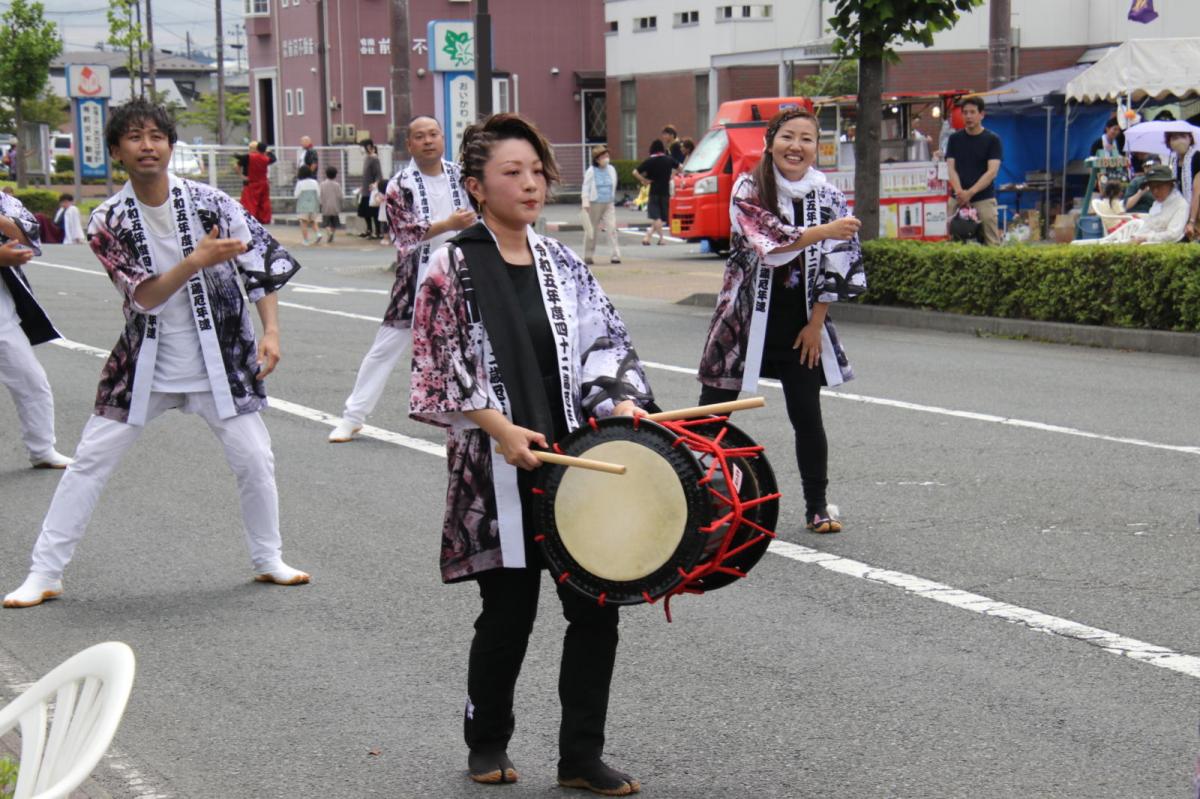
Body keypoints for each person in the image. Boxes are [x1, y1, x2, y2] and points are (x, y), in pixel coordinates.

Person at [409, 113, 652, 795]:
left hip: (574, 459)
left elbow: (606, 341)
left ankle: (580, 756)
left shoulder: (562, 261)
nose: (530, 184)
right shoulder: (451, 264)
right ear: (476, 186)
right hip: (498, 467)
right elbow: (438, 367)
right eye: (512, 172)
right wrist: (500, 428)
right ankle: (487, 740)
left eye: (537, 171)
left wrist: (618, 401)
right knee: (508, 614)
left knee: (596, 609)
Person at [3, 98, 309, 609]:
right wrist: (196, 260)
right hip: (145, 364)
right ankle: (44, 573)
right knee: (89, 463)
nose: (147, 146)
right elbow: (144, 297)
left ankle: (268, 559)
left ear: (170, 145)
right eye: (134, 137)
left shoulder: (211, 202)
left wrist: (271, 332)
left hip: (221, 361)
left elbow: (261, 265)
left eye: (156, 137)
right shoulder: (108, 219)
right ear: (117, 151)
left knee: (256, 459)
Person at [696, 108, 865, 534]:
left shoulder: (828, 196)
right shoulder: (749, 188)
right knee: (710, 416)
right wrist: (825, 231)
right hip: (742, 323)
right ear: (770, 142)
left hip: (799, 325)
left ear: (817, 148)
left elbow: (838, 264)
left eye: (807, 139)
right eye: (788, 136)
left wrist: (816, 324)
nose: (796, 146)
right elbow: (768, 240)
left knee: (807, 416)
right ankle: (685, 494)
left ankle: (817, 507)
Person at [326, 115, 475, 443]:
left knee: (472, 347)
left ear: (443, 138)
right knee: (385, 348)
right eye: (420, 136)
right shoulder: (400, 184)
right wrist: (449, 224)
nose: (428, 141)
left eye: (433, 134)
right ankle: (353, 417)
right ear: (409, 144)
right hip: (416, 279)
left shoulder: (462, 177)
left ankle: (478, 417)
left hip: (462, 276)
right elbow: (404, 232)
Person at [0, 191, 73, 471]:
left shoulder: (5, 202)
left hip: (3, 313)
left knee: (31, 379)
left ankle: (42, 449)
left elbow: (29, 235)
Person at [1072, 164, 1187, 245]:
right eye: (1152, 188)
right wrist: (1137, 236)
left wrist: (1146, 237)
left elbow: (1173, 234)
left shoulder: (1180, 205)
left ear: (1170, 185)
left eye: (1159, 187)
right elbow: (1147, 225)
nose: (1155, 191)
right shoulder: (1157, 203)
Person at [945, 96, 1003, 246]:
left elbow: (992, 172)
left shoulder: (992, 139)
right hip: (957, 198)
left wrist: (970, 193)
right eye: (965, 113)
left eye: (972, 112)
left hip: (983, 198)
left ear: (981, 114)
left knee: (991, 242)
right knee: (953, 242)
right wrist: (960, 192)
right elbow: (950, 168)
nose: (968, 116)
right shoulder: (954, 139)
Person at [580, 144, 621, 265]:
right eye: (603, 157)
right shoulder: (591, 171)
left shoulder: (611, 169)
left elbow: (614, 183)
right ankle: (588, 255)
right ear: (597, 159)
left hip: (608, 202)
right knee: (591, 229)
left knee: (612, 228)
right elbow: (586, 186)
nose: (606, 158)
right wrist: (585, 202)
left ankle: (615, 254)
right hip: (594, 203)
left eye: (607, 156)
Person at [633, 140, 674, 246]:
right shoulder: (669, 159)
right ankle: (648, 236)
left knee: (656, 217)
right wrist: (672, 176)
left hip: (654, 192)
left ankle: (661, 239)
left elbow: (635, 172)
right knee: (661, 218)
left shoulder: (650, 161)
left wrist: (644, 180)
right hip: (666, 192)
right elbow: (680, 167)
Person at [1166, 132, 1200, 240]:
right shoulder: (1174, 161)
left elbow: (1197, 192)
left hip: (1196, 213)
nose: (1179, 141)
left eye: (1183, 137)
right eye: (1175, 138)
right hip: (1182, 212)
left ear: (1190, 138)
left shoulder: (1197, 158)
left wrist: (1192, 221)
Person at [237, 141, 276, 224]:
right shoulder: (266, 158)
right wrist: (268, 152)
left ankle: (250, 219)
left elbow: (238, 161)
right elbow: (273, 159)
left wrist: (242, 176)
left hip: (252, 183)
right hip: (264, 183)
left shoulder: (249, 157)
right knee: (264, 202)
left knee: (250, 202)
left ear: (256, 149)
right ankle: (264, 219)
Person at [358, 140, 384, 239]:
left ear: (368, 147)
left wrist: (376, 184)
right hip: (365, 189)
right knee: (365, 211)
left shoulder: (374, 158)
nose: (361, 149)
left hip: (371, 190)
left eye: (362, 147)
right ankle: (369, 230)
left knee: (374, 211)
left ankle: (377, 232)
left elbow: (378, 174)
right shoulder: (367, 158)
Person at [293, 164, 321, 245]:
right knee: (313, 221)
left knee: (303, 223)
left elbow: (296, 195)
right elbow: (318, 194)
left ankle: (306, 240)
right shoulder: (314, 182)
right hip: (314, 205)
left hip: (303, 206)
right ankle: (318, 233)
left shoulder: (300, 183)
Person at [319, 165, 342, 244]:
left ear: (326, 174)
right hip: (335, 207)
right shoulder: (337, 185)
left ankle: (329, 232)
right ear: (335, 175)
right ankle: (332, 234)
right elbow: (340, 196)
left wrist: (321, 203)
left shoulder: (322, 184)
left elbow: (320, 195)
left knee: (326, 223)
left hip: (325, 207)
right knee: (334, 223)